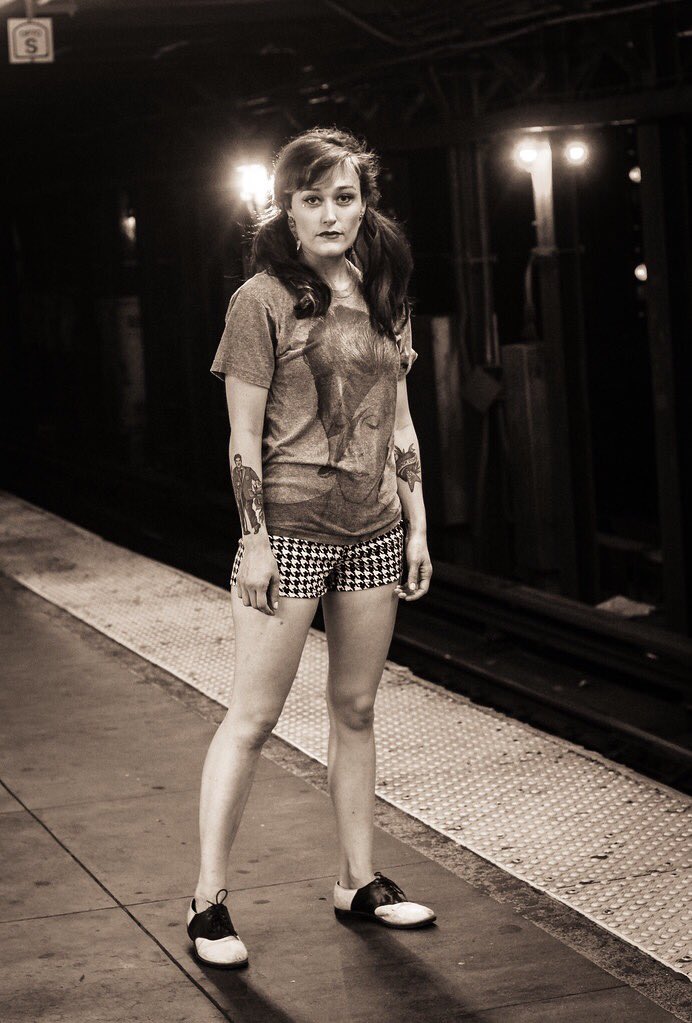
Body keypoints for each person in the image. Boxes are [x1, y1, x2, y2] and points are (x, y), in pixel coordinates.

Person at [186, 126, 435, 969]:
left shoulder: (385, 290)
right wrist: (252, 541)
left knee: (357, 709)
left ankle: (358, 880)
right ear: (285, 211)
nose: (331, 213)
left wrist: (418, 521)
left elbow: (399, 418)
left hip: (373, 529)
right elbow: (241, 441)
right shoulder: (259, 300)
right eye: (312, 198)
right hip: (287, 535)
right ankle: (208, 901)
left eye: (345, 196)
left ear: (364, 205)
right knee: (253, 717)